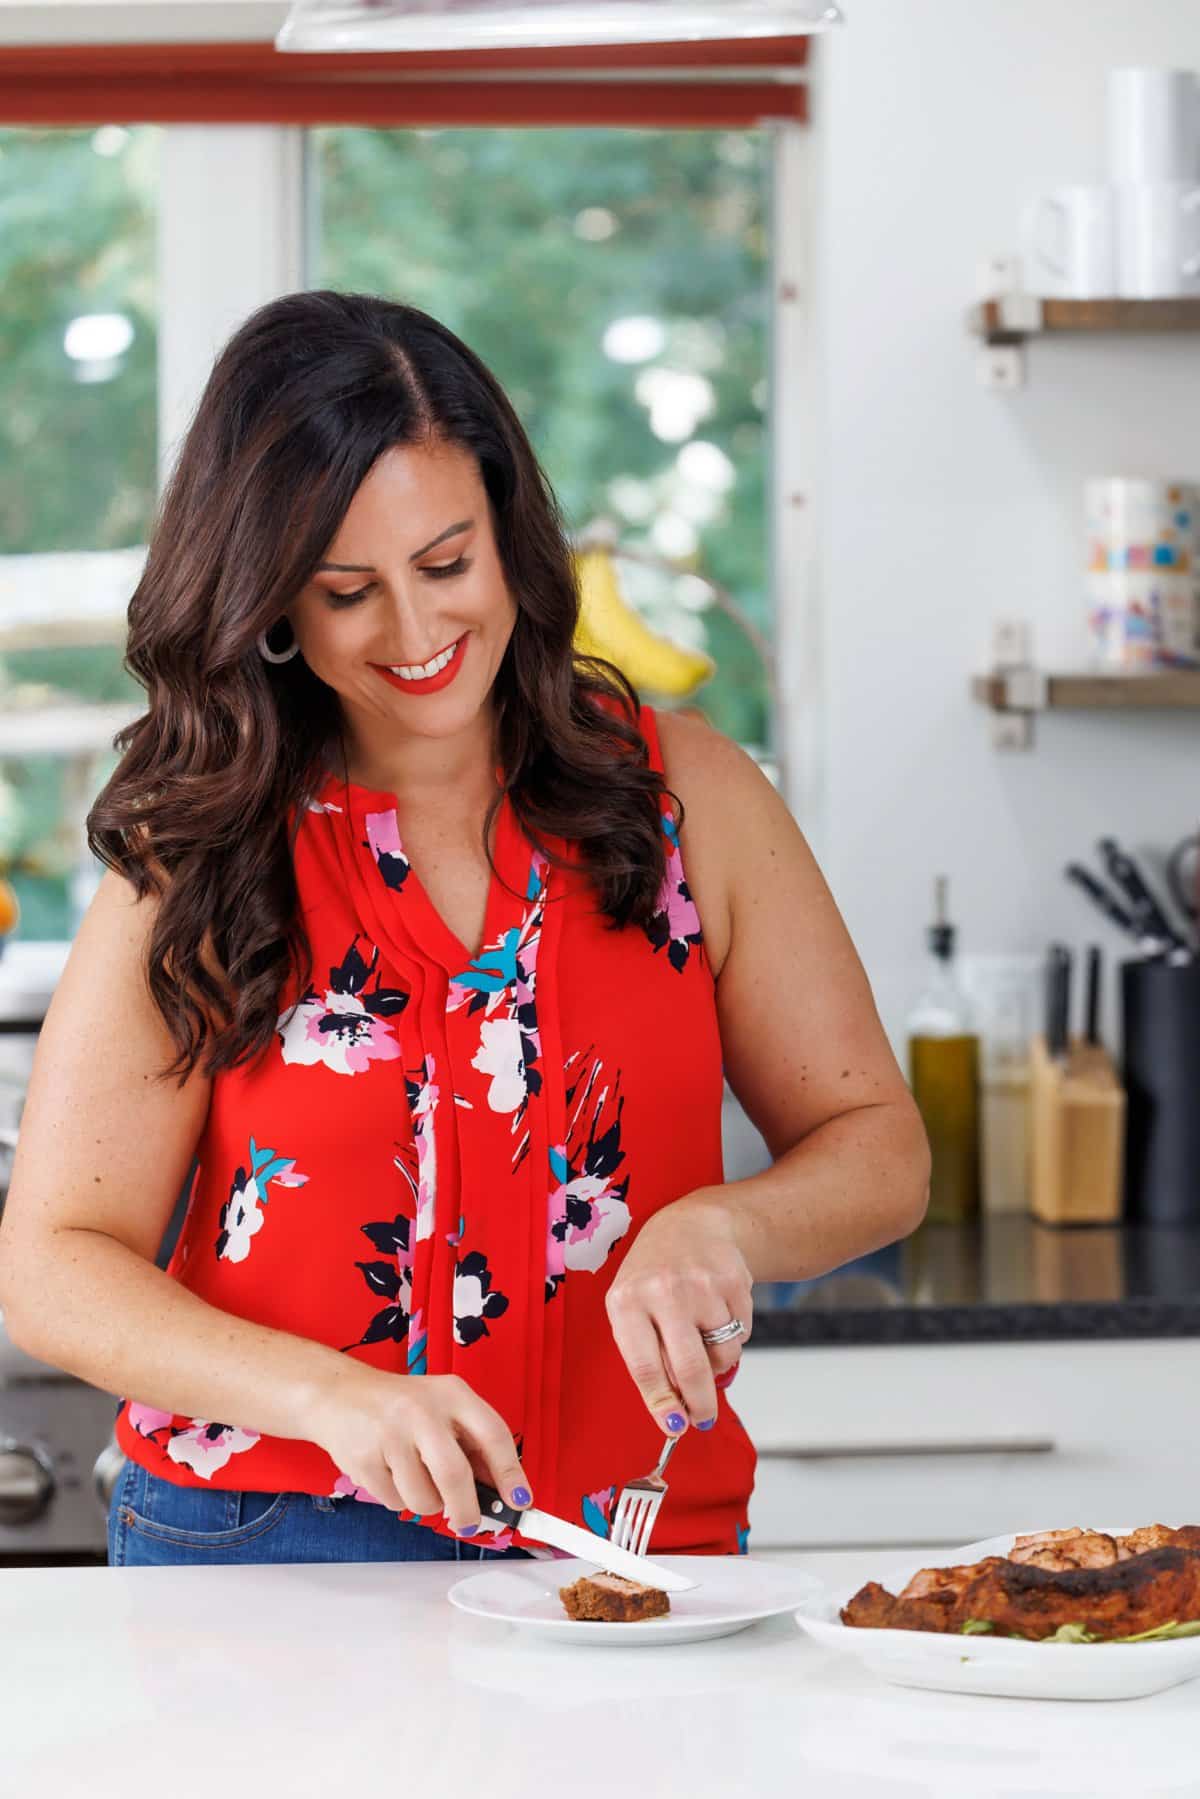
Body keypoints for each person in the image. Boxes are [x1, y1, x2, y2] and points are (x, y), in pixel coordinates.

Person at [0, 291, 929, 1568]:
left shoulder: (688, 799)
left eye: (447, 564)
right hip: (268, 1537)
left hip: (625, 1541)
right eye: (348, 592)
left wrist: (726, 1224)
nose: (419, 630)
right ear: (274, 603)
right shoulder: (203, 849)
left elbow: (877, 1144)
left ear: (508, 536)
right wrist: (332, 1396)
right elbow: (54, 1264)